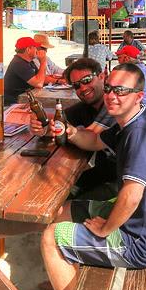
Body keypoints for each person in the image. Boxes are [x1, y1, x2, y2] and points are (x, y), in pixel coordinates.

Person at [40, 64, 146, 290]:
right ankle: (66, 278)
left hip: (139, 240)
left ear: (138, 97)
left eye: (121, 91)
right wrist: (69, 131)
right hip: (144, 222)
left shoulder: (139, 136)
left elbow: (131, 196)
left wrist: (105, 228)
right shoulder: (130, 122)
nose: (112, 95)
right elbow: (92, 140)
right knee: (61, 211)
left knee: (50, 237)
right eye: (110, 88)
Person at [29, 58, 117, 199]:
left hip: (125, 183)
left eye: (87, 80)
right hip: (104, 172)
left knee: (59, 203)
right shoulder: (86, 107)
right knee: (51, 191)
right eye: (76, 85)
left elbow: (92, 136)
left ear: (102, 76)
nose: (82, 88)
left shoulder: (113, 104)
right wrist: (41, 127)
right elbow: (59, 122)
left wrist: (69, 131)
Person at [3, 36, 47, 106]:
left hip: (24, 100)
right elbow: (39, 83)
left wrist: (58, 80)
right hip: (14, 104)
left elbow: (40, 77)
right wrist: (43, 61)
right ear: (28, 49)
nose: (37, 50)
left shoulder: (28, 61)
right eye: (35, 47)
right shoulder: (18, 63)